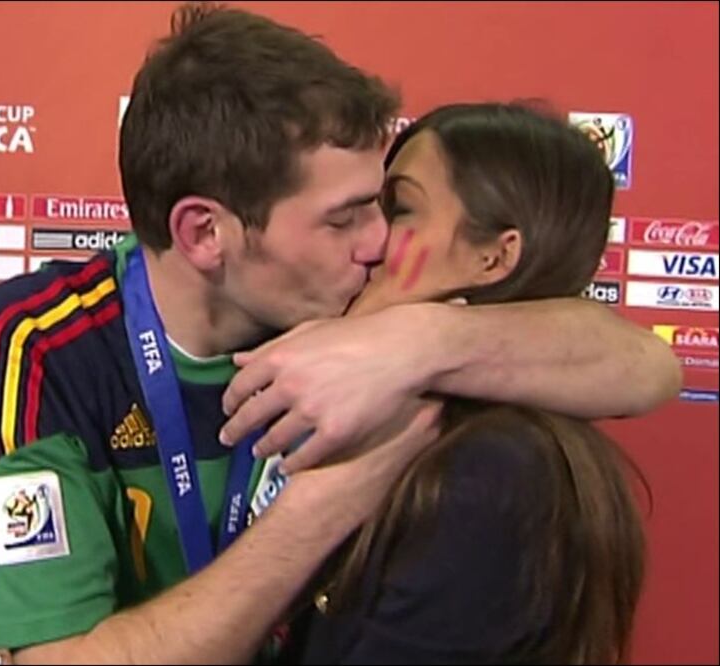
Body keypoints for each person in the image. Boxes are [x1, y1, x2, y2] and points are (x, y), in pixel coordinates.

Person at [0, 4, 678, 664]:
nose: (375, 242)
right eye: (344, 218)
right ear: (205, 233)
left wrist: (421, 343)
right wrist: (331, 497)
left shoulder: (349, 312)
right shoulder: (31, 348)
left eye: (385, 205)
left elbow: (642, 365)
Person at [271, 102, 648, 664]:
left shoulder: (494, 473)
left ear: (494, 257)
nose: (369, 238)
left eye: (398, 210)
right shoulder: (417, 423)